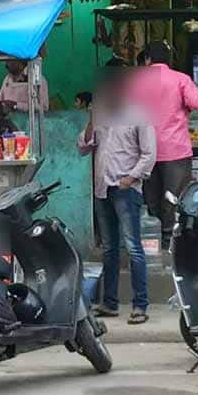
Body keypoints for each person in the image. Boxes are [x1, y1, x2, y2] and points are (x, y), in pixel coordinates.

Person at [78, 80, 157, 324]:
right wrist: (91, 119)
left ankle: (140, 305)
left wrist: (130, 178)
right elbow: (83, 146)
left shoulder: (139, 115)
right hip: (103, 189)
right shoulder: (101, 115)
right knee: (109, 248)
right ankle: (109, 303)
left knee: (133, 248)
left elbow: (149, 153)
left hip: (126, 189)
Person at [126, 40, 198, 248]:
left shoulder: (136, 80)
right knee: (174, 196)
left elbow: (127, 109)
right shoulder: (181, 79)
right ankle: (170, 238)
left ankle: (153, 237)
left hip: (145, 149)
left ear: (148, 59)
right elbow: (196, 103)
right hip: (175, 148)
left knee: (151, 195)